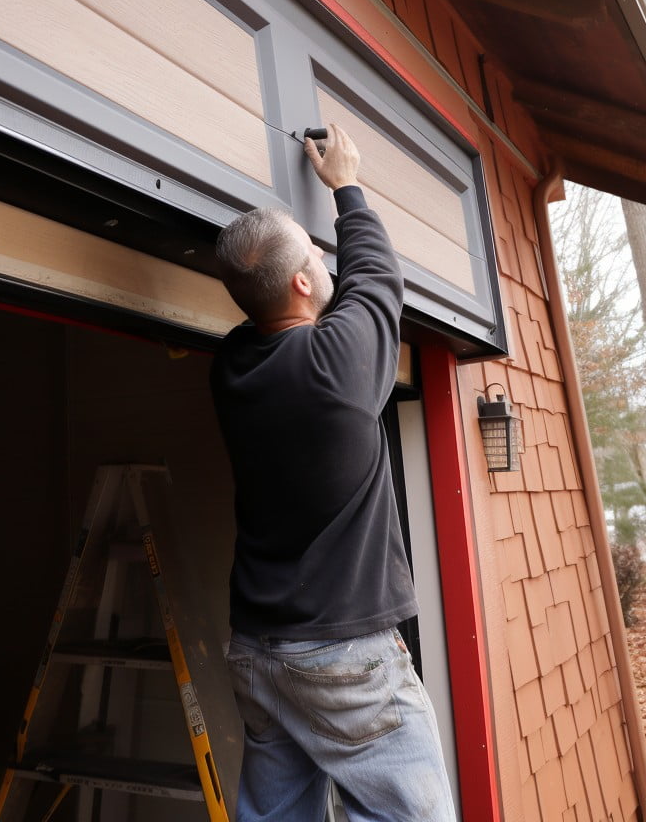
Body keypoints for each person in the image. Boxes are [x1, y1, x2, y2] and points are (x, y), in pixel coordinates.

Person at [210, 123, 456, 822]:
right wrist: (346, 184)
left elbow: (335, 294)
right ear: (301, 281)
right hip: (342, 655)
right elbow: (377, 278)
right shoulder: (334, 367)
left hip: (258, 651)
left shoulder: (231, 369)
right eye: (314, 253)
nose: (325, 257)